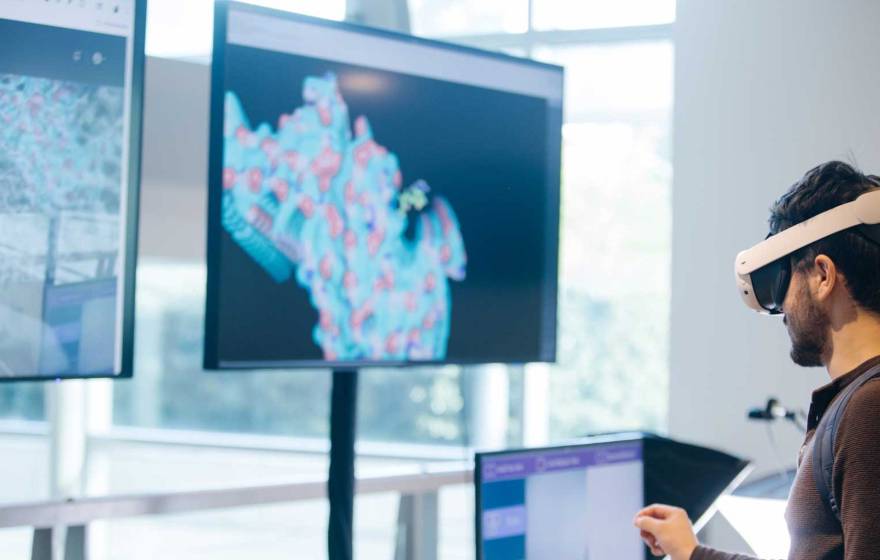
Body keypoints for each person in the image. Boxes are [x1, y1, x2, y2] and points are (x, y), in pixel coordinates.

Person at [634, 161, 880, 560]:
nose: (779, 308)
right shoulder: (859, 402)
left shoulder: (869, 411)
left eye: (783, 280)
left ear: (822, 276)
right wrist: (693, 553)